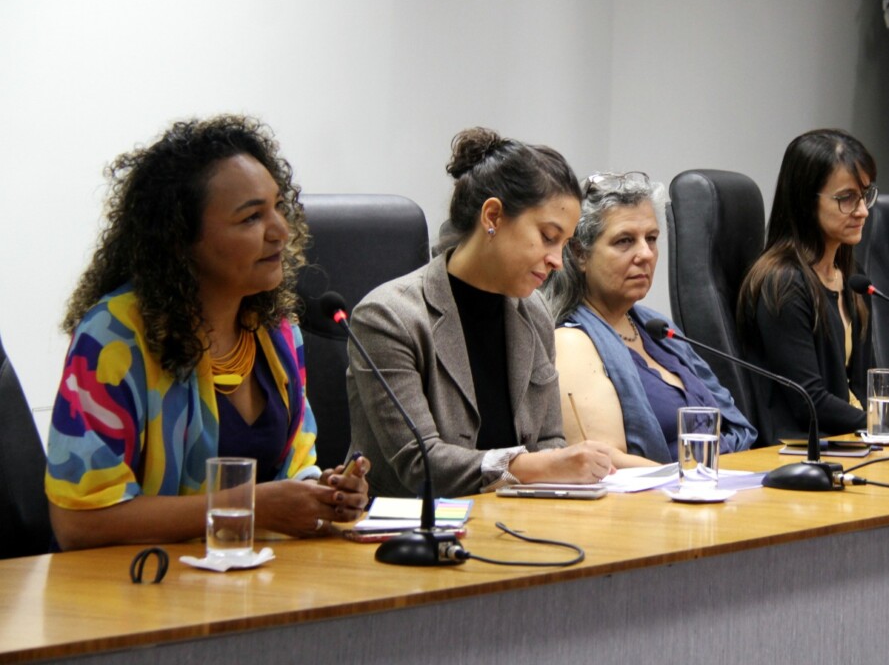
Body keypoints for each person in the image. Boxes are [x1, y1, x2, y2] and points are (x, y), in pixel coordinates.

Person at [45, 116, 370, 550]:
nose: (280, 230)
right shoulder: (113, 337)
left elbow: (293, 472)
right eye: (252, 217)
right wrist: (253, 505)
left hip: (256, 582)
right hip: (139, 593)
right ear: (182, 240)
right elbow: (78, 522)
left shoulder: (276, 331)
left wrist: (325, 492)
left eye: (278, 206)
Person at [347, 128, 627, 498]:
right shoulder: (388, 316)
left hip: (514, 523)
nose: (557, 262)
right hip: (409, 536)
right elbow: (419, 462)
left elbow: (547, 440)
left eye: (563, 244)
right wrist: (537, 467)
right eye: (547, 236)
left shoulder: (534, 312)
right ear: (493, 216)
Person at [542, 171, 756, 463]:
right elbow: (606, 465)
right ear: (580, 253)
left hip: (718, 488)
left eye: (652, 238)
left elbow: (728, 427)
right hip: (653, 501)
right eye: (625, 241)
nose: (646, 254)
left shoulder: (657, 328)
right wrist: (694, 480)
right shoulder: (571, 342)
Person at [737, 129, 878, 443]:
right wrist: (884, 425)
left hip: (850, 442)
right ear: (805, 201)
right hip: (800, 453)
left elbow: (868, 386)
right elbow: (808, 401)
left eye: (865, 194)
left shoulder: (853, 277)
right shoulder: (782, 284)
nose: (862, 210)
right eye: (847, 198)